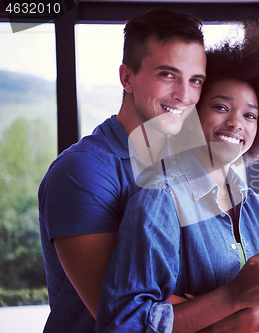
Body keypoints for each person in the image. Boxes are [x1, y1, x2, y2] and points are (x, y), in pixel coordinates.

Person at [95, 23, 259, 332]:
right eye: (221, 107)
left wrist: (250, 320)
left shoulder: (256, 209)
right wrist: (233, 297)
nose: (236, 123)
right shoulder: (159, 202)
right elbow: (123, 323)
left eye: (250, 115)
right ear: (192, 112)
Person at [38, 8, 206, 332]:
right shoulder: (81, 174)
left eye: (195, 80)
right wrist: (241, 302)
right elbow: (124, 312)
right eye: (168, 75)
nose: (185, 95)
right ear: (127, 77)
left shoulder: (192, 165)